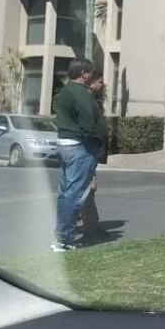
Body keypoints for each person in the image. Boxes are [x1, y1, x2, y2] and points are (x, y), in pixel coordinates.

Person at [51, 59, 107, 252]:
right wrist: (98, 140)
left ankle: (60, 235)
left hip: (65, 145)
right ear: (84, 73)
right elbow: (88, 124)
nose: (94, 77)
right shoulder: (80, 94)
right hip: (79, 147)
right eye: (92, 73)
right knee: (75, 195)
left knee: (66, 193)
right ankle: (64, 239)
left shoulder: (64, 92)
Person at [77, 73, 109, 236]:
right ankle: (90, 225)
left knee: (87, 188)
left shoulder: (94, 102)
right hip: (85, 152)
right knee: (88, 188)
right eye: (100, 82)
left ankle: (85, 220)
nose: (103, 85)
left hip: (90, 153)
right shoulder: (85, 103)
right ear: (90, 83)